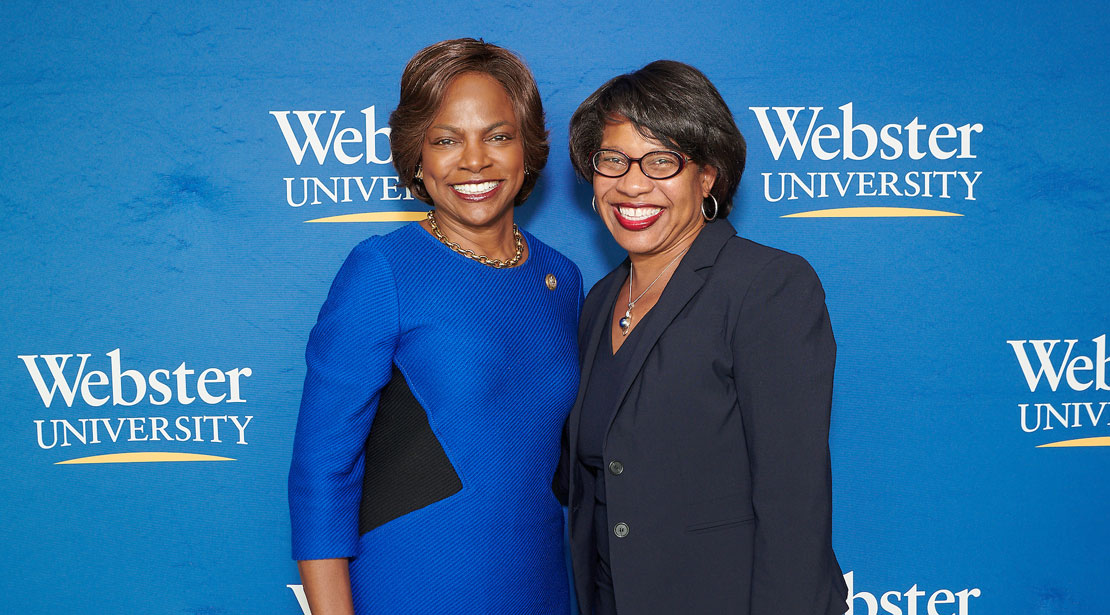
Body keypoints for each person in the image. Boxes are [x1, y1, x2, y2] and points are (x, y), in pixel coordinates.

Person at [289, 39, 581, 615]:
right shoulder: (384, 270)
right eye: (447, 140)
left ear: (527, 147)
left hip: (540, 579)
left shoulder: (561, 277)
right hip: (416, 578)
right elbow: (322, 469)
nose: (475, 161)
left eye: (497, 136)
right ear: (417, 156)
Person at [555, 60, 848, 615]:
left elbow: (794, 502)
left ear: (707, 175)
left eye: (661, 161)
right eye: (612, 159)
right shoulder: (598, 302)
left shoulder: (767, 286)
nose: (632, 183)